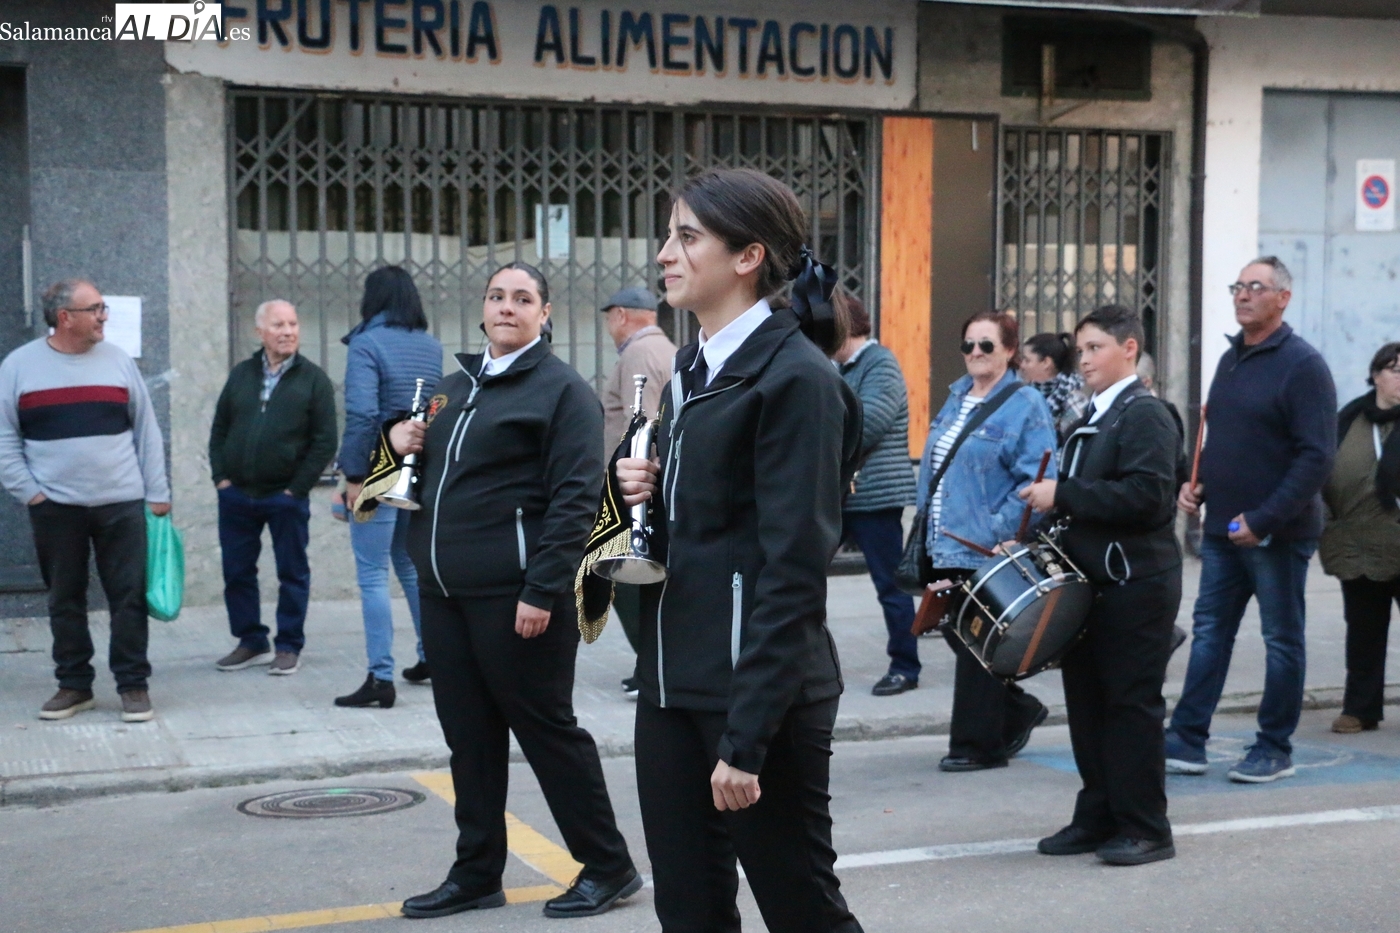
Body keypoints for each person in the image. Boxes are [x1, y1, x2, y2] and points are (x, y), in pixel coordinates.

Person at [616, 167, 865, 933]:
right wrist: (644, 485)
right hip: (671, 682)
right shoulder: (693, 369)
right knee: (688, 908)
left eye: (687, 237)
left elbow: (794, 571)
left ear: (749, 256)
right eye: (668, 235)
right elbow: (707, 526)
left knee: (801, 909)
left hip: (758, 694)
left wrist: (748, 736)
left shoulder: (797, 380)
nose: (665, 253)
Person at [371, 262, 639, 920]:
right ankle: (476, 871)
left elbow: (575, 500)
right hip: (443, 594)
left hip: (518, 597)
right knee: (469, 738)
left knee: (547, 731)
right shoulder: (452, 388)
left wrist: (541, 590)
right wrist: (395, 443)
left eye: (523, 299)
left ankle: (608, 865)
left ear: (544, 314)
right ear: (484, 307)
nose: (507, 307)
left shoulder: (562, 392)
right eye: (497, 296)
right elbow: (411, 478)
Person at [1019, 304, 1186, 866]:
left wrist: (1062, 493)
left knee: (1130, 707)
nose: (1083, 359)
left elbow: (1148, 497)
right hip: (1093, 584)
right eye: (1081, 350)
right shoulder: (1097, 413)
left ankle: (1146, 827)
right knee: (1089, 706)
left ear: (1129, 348)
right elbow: (1084, 505)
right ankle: (1097, 816)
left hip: (1136, 585)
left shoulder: (1146, 414)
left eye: (1095, 348)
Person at [1170, 256, 1337, 783]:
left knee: (1281, 640)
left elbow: (1316, 457)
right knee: (1210, 633)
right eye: (1238, 286)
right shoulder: (1231, 359)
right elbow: (1222, 437)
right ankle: (1187, 738)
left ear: (1283, 298)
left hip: (1276, 535)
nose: (1243, 295)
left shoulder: (1303, 366)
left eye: (1256, 287)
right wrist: (1197, 482)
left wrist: (1264, 520)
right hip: (1222, 528)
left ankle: (1274, 747)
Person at [0, 278, 170, 723]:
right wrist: (32, 494)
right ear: (65, 318)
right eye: (94, 309)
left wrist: (157, 492)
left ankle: (133, 685)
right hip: (56, 508)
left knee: (128, 598)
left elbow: (146, 429)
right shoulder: (18, 366)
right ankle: (74, 685)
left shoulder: (118, 361)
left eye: (103, 307)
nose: (103, 316)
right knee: (65, 598)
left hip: (121, 503)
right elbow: (4, 438)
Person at [919, 311, 1058, 772]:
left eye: (986, 345)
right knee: (963, 636)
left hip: (986, 546)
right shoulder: (957, 396)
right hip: (945, 539)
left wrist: (1004, 533)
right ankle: (1017, 710)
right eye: (968, 345)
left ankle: (976, 746)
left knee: (976, 640)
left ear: (1010, 351)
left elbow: (1037, 478)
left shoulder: (1025, 404)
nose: (975, 353)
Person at [209, 300, 338, 676]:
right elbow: (220, 429)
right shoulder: (242, 374)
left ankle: (288, 645)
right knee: (237, 571)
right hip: (237, 495)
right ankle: (251, 641)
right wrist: (221, 479)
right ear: (260, 332)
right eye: (279, 325)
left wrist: (296, 489)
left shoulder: (313, 379)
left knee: (292, 573)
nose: (288, 331)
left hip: (284, 496)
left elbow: (325, 442)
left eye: (293, 324)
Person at [333, 267, 443, 709]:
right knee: (409, 567)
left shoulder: (367, 343)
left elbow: (362, 414)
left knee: (372, 572)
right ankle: (432, 656)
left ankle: (380, 677)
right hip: (417, 469)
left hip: (378, 464)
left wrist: (354, 476)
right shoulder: (430, 346)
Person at [833, 296, 919, 696]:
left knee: (890, 586)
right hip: (841, 495)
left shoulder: (879, 362)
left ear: (844, 326)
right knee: (802, 578)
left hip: (876, 496)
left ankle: (905, 666)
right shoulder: (838, 367)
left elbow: (868, 424)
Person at [597, 285, 677, 697]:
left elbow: (638, 426)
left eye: (609, 317)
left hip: (633, 489)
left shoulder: (637, 354)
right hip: (656, 483)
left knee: (621, 574)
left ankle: (652, 659)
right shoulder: (667, 348)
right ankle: (658, 657)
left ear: (621, 315)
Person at [1319, 342, 1400, 734]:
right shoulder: (1349, 419)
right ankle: (1360, 709)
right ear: (1375, 375)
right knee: (1364, 631)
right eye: (1396, 370)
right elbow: (1320, 469)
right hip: (1358, 545)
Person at [1022, 331, 1088, 440]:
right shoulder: (1024, 394)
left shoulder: (1073, 400)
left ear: (1046, 362)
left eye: (1027, 360)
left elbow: (1074, 443)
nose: (1022, 365)